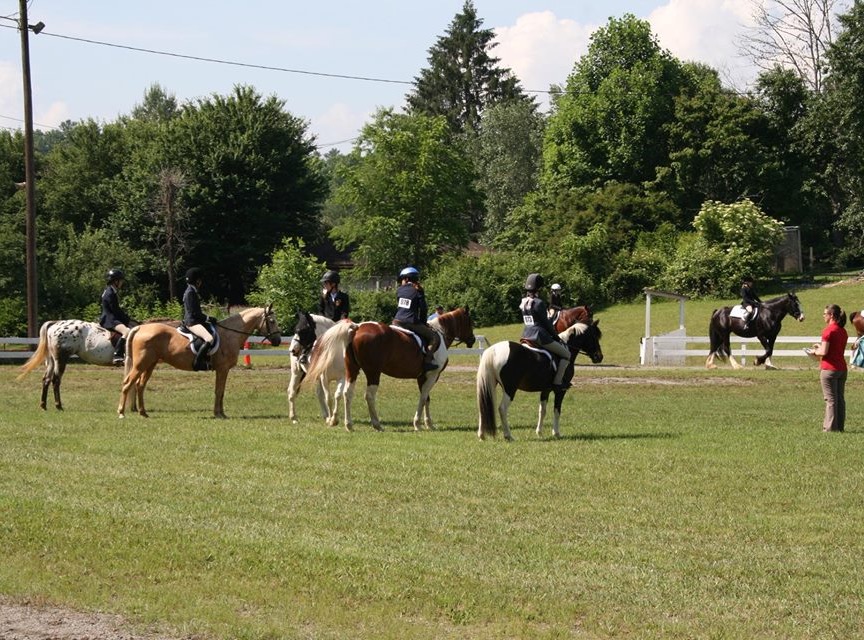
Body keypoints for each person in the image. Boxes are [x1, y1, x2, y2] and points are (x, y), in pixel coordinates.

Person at [520, 273, 571, 391]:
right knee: (566, 355)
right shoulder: (539, 303)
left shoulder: (522, 302)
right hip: (539, 337)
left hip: (526, 335)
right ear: (539, 288)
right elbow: (547, 324)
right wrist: (556, 337)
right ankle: (557, 383)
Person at [392, 266, 440, 372]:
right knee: (434, 338)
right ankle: (427, 361)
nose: (402, 282)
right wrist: (423, 323)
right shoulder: (418, 290)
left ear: (407, 279)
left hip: (396, 321)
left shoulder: (399, 290)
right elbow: (423, 309)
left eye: (402, 279)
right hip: (410, 322)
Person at [811, 304, 848, 432]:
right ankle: (839, 427)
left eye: (825, 314)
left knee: (830, 400)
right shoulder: (843, 331)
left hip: (829, 369)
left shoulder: (828, 330)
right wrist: (819, 347)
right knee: (839, 399)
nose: (823, 316)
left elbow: (824, 352)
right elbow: (834, 348)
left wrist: (814, 352)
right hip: (842, 368)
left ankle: (830, 428)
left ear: (831, 315)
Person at [99, 268, 138, 364]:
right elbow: (116, 311)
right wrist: (127, 320)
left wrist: (128, 319)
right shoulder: (110, 293)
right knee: (127, 331)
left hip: (112, 317)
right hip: (110, 320)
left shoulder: (111, 291)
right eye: (121, 281)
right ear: (115, 281)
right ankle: (118, 355)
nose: (122, 283)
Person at [182, 267, 215, 371]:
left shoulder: (191, 290)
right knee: (209, 339)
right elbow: (195, 313)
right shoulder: (191, 292)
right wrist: (208, 318)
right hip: (192, 322)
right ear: (197, 281)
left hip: (194, 320)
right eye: (200, 280)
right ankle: (198, 363)